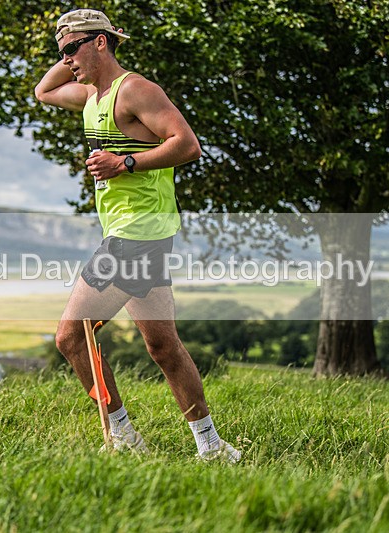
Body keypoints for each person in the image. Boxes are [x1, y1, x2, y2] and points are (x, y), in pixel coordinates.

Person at [34, 8, 240, 462]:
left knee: (71, 338)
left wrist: (124, 163)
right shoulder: (90, 96)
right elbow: (43, 90)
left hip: (136, 235)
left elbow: (187, 145)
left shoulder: (136, 91)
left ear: (101, 43)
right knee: (163, 345)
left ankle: (123, 435)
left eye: (73, 49)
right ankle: (212, 447)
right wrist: (68, 40)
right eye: (61, 52)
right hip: (142, 234)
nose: (67, 60)